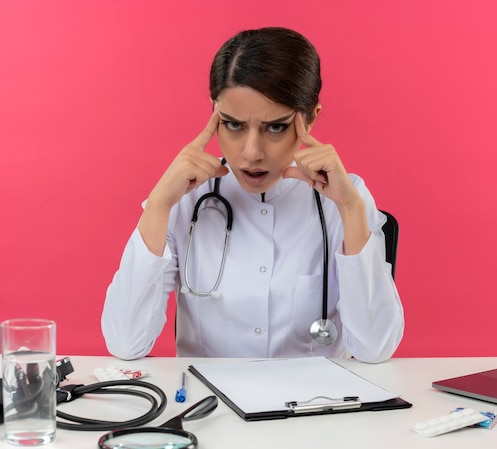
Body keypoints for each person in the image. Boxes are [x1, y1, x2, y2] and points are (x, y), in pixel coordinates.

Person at [101, 27, 404, 363]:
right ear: (214, 114)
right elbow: (125, 343)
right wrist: (157, 206)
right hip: (207, 405)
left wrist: (349, 209)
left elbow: (375, 349)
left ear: (310, 119)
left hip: (313, 408)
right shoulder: (185, 200)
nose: (251, 153)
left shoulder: (345, 199)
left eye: (275, 127)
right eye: (233, 124)